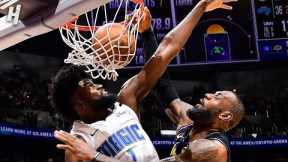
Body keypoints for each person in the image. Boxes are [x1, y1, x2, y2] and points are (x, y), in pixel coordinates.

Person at [53, 0, 237, 161]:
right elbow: (162, 79)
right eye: (89, 85)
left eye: (217, 96)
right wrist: (147, 32)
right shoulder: (79, 141)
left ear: (225, 116)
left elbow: (167, 50)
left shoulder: (215, 149)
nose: (98, 84)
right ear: (80, 104)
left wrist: (93, 156)